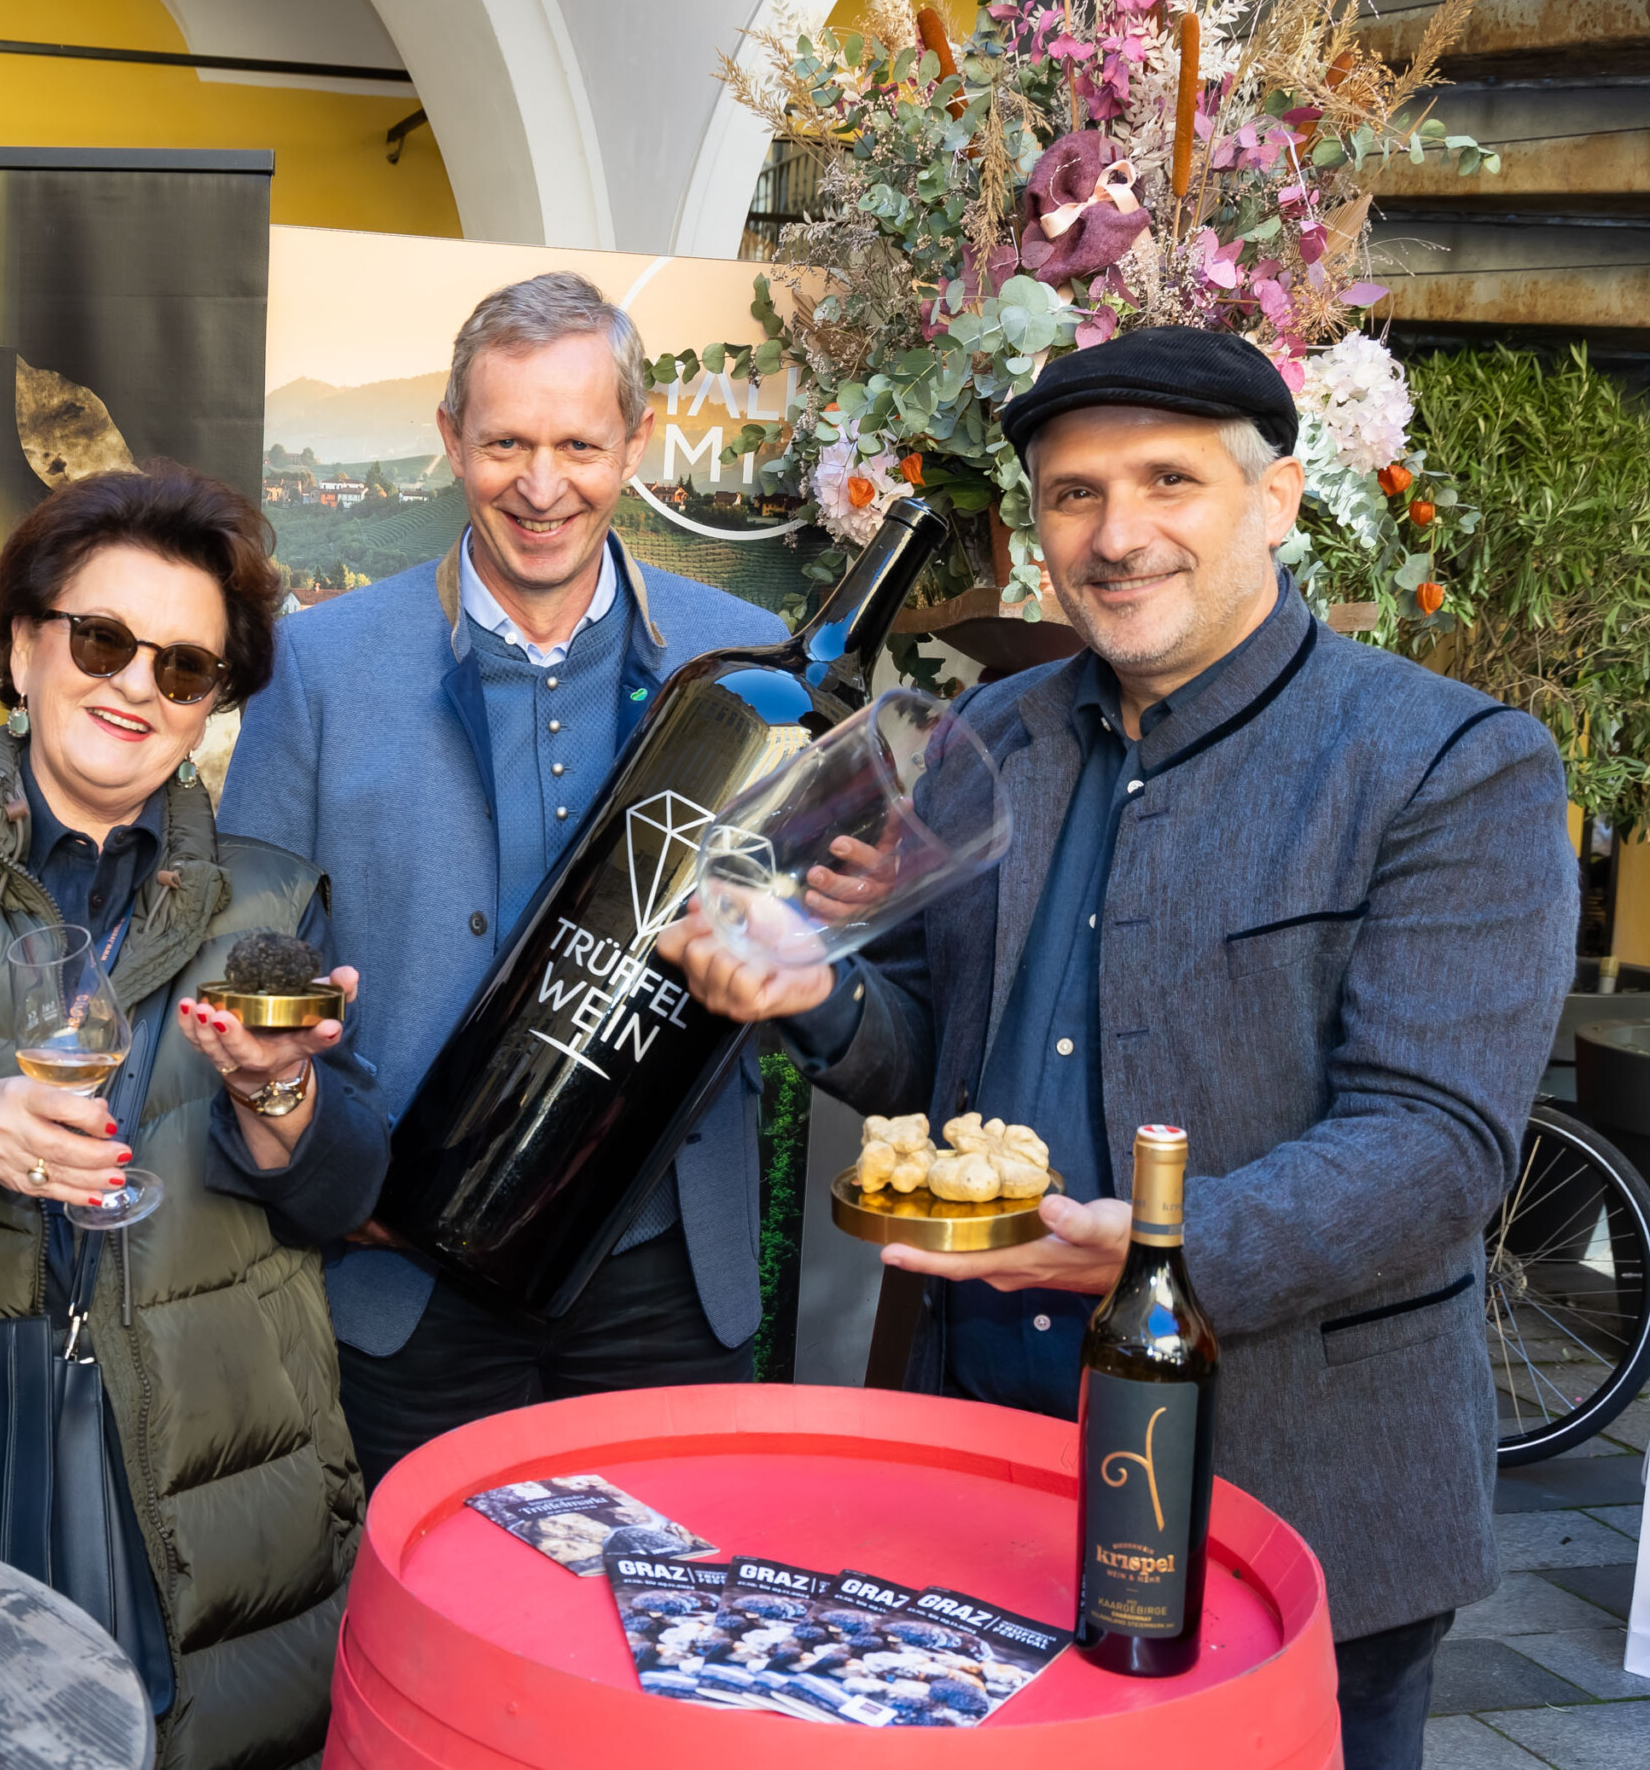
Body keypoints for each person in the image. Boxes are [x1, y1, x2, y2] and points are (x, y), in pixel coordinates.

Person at [661, 325, 1576, 1770]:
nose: (1117, 531)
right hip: (988, 1465)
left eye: (1170, 480)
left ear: (1273, 502)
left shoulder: (1449, 764)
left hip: (1296, 1490)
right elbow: (926, 1062)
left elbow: (1434, 1146)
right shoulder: (990, 735)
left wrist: (1158, 1250)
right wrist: (808, 996)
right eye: (1074, 493)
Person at [0, 463, 382, 1770]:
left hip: (229, 1480)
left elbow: (343, 1192)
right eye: (103, 639)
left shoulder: (273, 903)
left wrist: (276, 1089)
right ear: (21, 642)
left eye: (184, 668)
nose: (135, 688)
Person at [221, 272, 793, 1488]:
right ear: (449, 440)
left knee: (656, 1650)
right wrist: (336, 1164)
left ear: (634, 441)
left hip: (665, 1275)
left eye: (580, 442)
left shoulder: (741, 661)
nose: (542, 484)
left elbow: (819, 946)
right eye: (505, 443)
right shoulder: (316, 666)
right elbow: (247, 959)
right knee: (431, 1637)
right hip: (402, 1270)